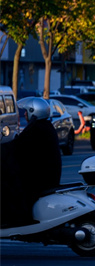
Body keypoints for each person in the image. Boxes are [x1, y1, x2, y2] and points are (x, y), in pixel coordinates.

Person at [1, 97, 61, 227]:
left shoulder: (37, 129)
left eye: (27, 111)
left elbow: (17, 146)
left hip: (41, 179)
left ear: (34, 112)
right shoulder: (44, 126)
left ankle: (17, 220)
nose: (24, 114)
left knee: (6, 183)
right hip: (45, 174)